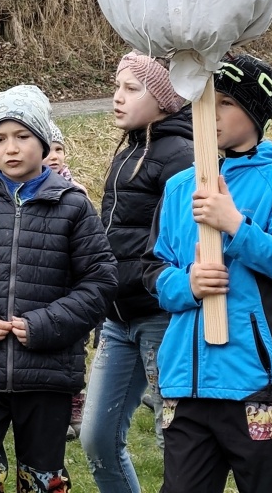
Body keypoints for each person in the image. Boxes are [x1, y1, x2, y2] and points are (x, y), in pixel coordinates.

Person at [144, 53, 272, 493]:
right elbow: (152, 269)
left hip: (261, 383)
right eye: (204, 100)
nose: (210, 112)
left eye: (225, 102)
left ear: (255, 113)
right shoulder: (179, 187)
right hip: (187, 385)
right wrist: (187, 285)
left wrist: (236, 227)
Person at [0, 84, 117, 493]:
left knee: (43, 479)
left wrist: (45, 324)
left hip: (48, 371)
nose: (10, 148)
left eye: (22, 136)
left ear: (43, 141)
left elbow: (99, 281)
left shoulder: (74, 207)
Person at [79, 51, 193, 493]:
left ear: (163, 98)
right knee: (97, 439)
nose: (117, 97)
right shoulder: (128, 152)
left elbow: (178, 242)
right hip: (117, 317)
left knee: (175, 440)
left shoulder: (181, 156)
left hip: (160, 318)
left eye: (131, 88)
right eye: (116, 87)